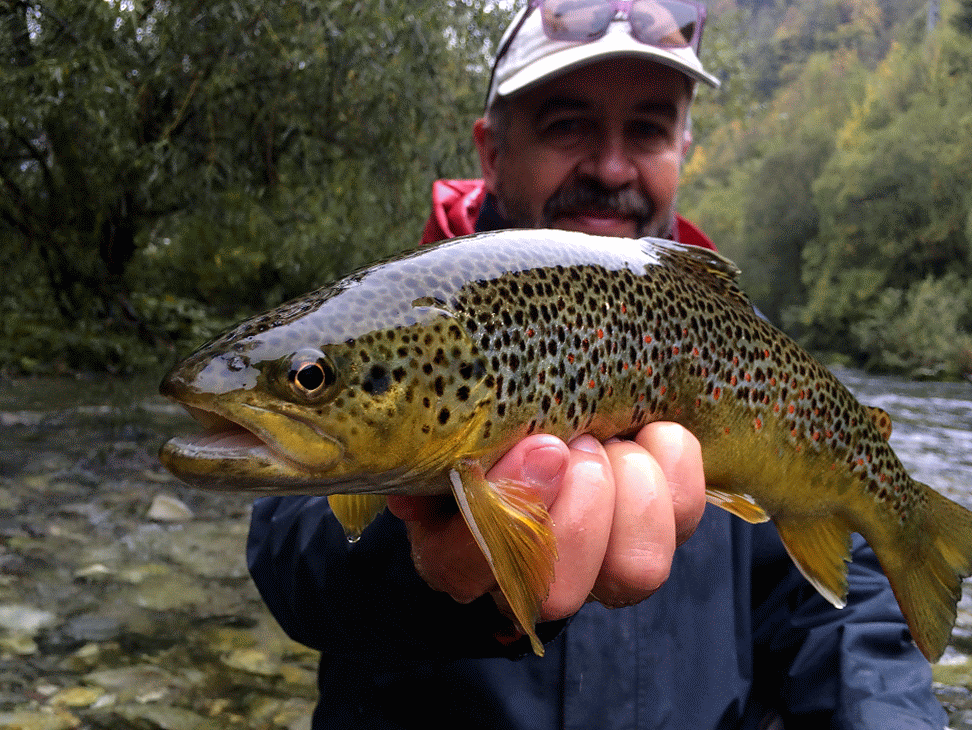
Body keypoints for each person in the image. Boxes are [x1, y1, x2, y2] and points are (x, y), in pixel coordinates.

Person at [247, 2, 948, 728]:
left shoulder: (749, 355)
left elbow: (840, 623)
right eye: (568, 124)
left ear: (683, 145)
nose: (612, 166)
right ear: (493, 152)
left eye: (646, 128)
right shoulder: (382, 318)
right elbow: (292, 553)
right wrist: (436, 556)